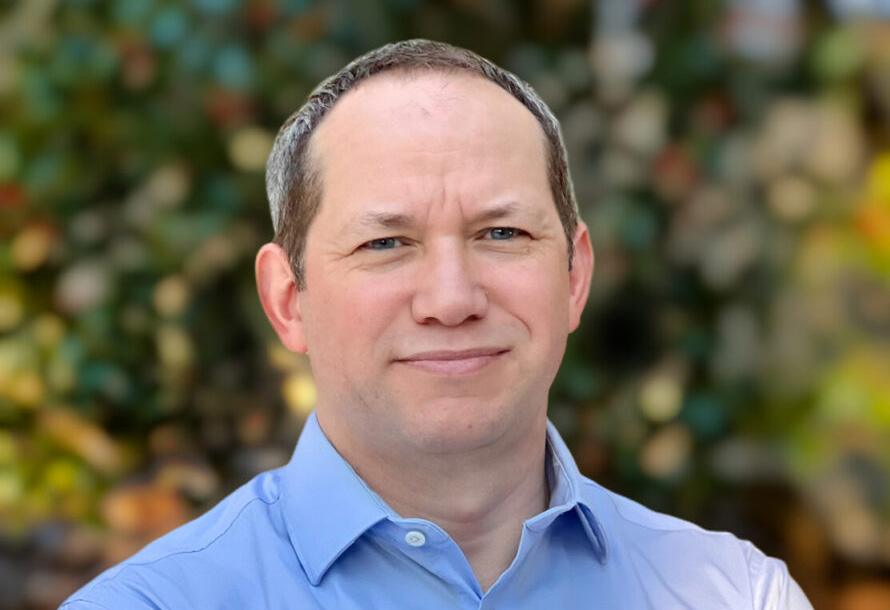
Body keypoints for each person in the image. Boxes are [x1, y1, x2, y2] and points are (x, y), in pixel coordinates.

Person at [61, 39, 813, 609]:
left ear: (575, 277)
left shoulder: (733, 594)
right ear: (289, 300)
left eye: (502, 234)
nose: (452, 299)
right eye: (386, 243)